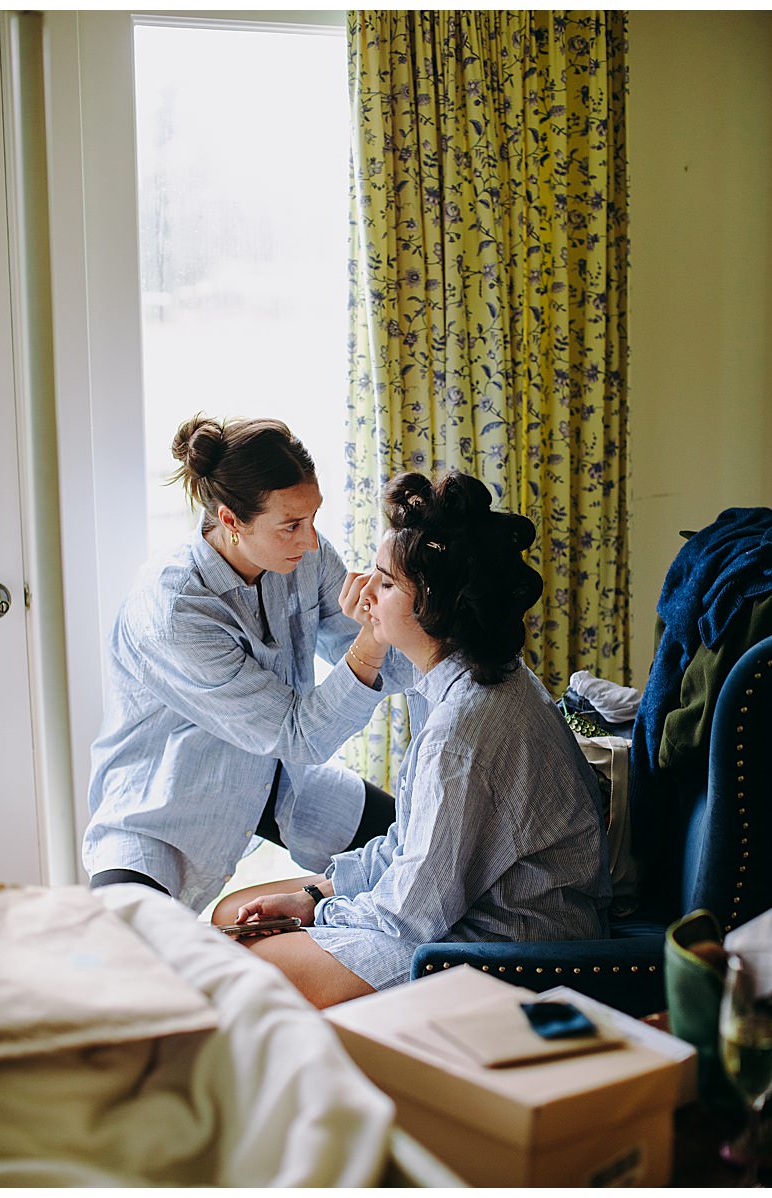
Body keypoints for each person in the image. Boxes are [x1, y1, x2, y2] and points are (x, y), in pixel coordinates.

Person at [214, 471, 611, 1008]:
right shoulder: (462, 679)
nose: (363, 591)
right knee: (230, 916)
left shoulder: (465, 730)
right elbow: (409, 849)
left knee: (238, 960)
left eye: (384, 582)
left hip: (499, 944)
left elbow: (412, 913)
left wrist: (316, 913)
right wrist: (309, 896)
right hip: (453, 911)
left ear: (433, 604)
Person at [83, 416, 410, 912]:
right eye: (291, 526)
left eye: (313, 517)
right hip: (163, 800)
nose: (311, 539)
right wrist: (371, 640)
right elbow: (302, 733)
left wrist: (410, 622)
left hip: (279, 777)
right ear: (231, 520)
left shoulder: (305, 559)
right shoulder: (175, 609)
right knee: (135, 969)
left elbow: (395, 662)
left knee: (408, 846)